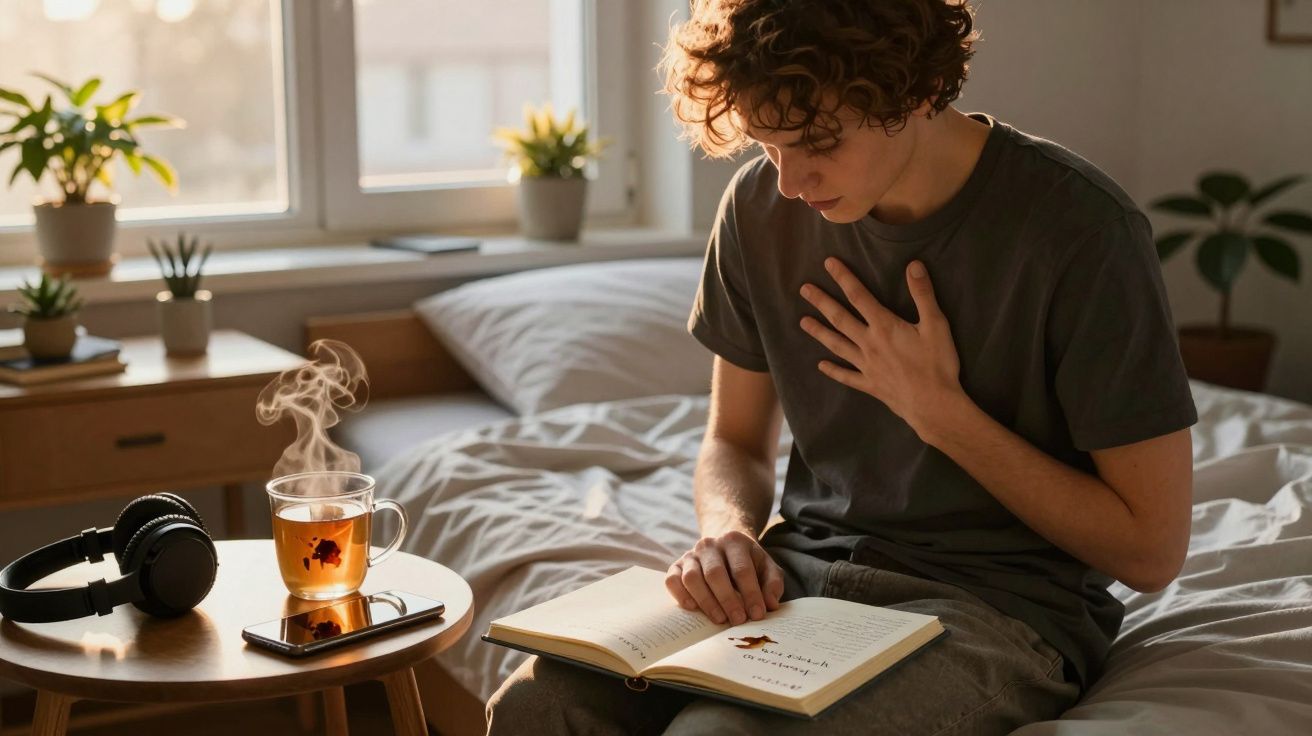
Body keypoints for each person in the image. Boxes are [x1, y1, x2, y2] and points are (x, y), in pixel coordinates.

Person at [486, 0, 1198, 733]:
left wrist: (941, 414)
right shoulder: (759, 209)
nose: (791, 182)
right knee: (535, 705)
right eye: (767, 146)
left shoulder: (1081, 233)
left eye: (817, 141)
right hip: (800, 579)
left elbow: (1150, 550)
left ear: (918, 91)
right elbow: (733, 442)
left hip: (997, 606)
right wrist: (726, 533)